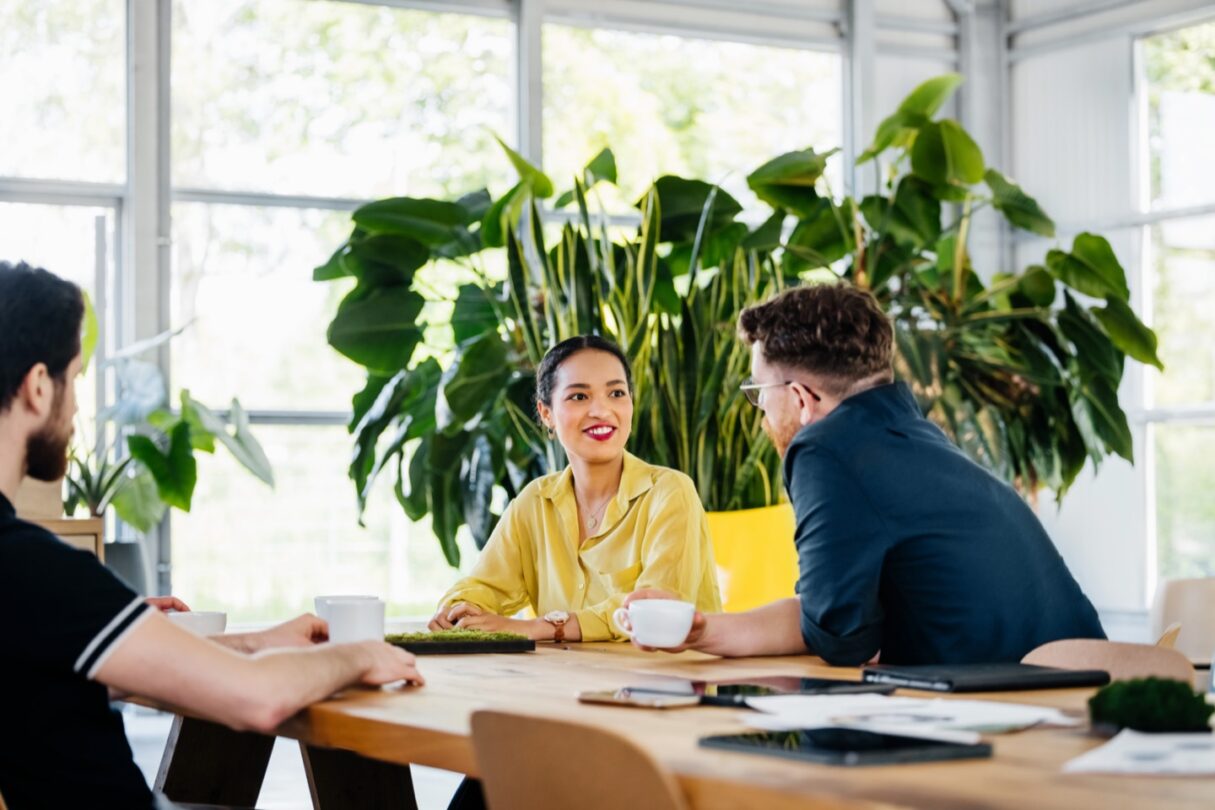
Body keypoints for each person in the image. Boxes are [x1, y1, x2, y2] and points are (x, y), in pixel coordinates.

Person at [0, 261, 424, 810]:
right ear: (38, 386)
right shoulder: (31, 566)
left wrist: (256, 642)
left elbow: (87, 676)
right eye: (75, 379)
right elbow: (259, 699)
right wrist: (359, 655)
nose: (78, 405)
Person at [627, 282, 1105, 665]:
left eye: (759, 393)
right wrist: (704, 630)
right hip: (1077, 692)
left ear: (800, 398)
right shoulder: (912, 438)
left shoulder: (825, 450)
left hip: (1006, 716)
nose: (761, 414)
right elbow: (829, 621)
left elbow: (840, 643)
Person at [429, 335, 721, 642]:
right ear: (546, 414)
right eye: (579, 397)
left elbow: (655, 608)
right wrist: (458, 610)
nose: (601, 410)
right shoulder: (535, 502)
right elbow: (485, 585)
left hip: (663, 686)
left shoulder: (671, 493)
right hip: (566, 685)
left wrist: (542, 627)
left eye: (617, 393)